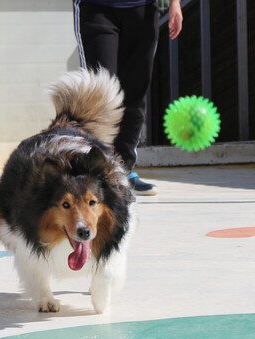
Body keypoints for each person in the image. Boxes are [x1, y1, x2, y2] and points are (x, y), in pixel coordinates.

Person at [73, 0, 183, 195]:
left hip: (142, 10)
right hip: (97, 9)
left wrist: (175, 3)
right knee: (101, 94)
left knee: (134, 93)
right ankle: (97, 170)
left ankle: (124, 171)